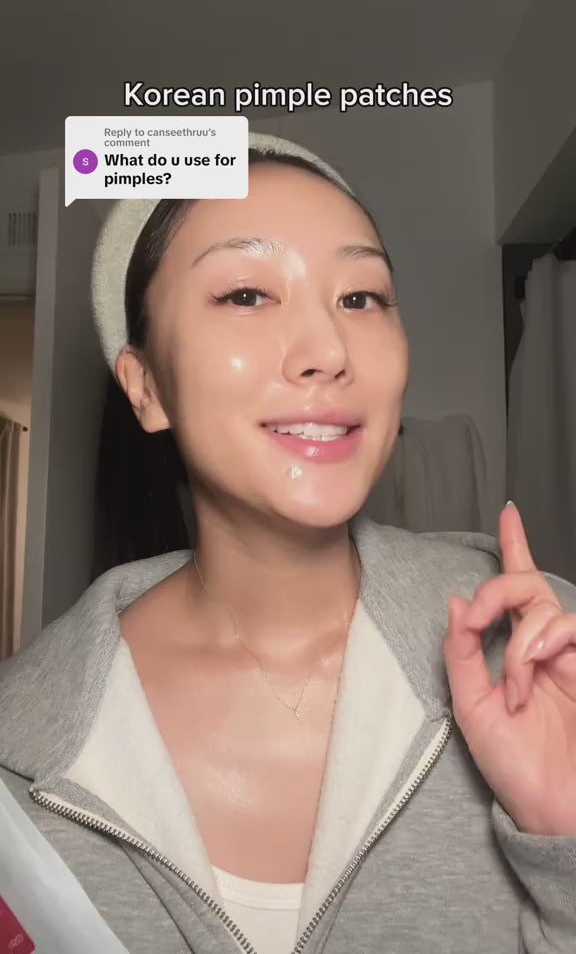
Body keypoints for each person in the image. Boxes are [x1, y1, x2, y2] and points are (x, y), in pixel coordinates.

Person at [0, 133, 575, 954]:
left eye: (361, 298)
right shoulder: (19, 755)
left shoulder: (542, 651)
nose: (329, 353)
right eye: (245, 294)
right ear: (146, 386)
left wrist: (565, 842)